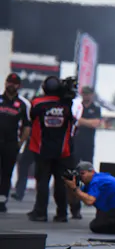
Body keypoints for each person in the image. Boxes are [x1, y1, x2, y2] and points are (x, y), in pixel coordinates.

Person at [27, 76, 78, 222]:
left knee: (42, 181)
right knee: (61, 183)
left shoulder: (37, 103)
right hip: (62, 150)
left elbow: (31, 118)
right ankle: (62, 213)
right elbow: (73, 122)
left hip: (42, 149)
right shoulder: (66, 105)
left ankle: (40, 212)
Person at [64, 161, 115, 235]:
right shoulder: (91, 183)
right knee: (99, 222)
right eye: (79, 175)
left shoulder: (97, 181)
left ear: (92, 171)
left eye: (83, 173)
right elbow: (76, 199)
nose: (81, 177)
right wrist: (71, 187)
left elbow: (89, 201)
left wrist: (75, 189)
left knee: (96, 226)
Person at [0, 73, 31, 212]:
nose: (11, 85)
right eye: (9, 82)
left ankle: (2, 201)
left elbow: (27, 126)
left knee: (7, 173)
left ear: (19, 86)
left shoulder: (24, 104)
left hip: (11, 143)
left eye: (14, 83)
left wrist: (20, 143)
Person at [70, 86, 102, 219]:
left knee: (88, 175)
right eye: (84, 93)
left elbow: (95, 123)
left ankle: (89, 198)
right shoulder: (77, 106)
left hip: (88, 145)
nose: (86, 96)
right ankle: (74, 207)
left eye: (88, 94)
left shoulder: (96, 108)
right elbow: (73, 120)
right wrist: (84, 122)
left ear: (92, 95)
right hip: (76, 144)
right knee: (74, 175)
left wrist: (80, 120)